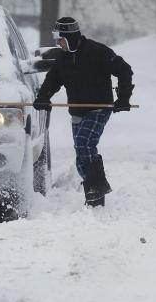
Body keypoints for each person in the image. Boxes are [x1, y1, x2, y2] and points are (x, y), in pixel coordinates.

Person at [33, 17, 134, 207]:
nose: (57, 42)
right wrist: (43, 97)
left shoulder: (98, 52)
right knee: (82, 153)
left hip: (99, 108)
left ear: (70, 37)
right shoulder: (62, 59)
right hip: (77, 110)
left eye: (60, 38)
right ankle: (96, 196)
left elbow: (124, 70)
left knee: (84, 144)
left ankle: (96, 188)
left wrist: (123, 98)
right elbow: (52, 81)